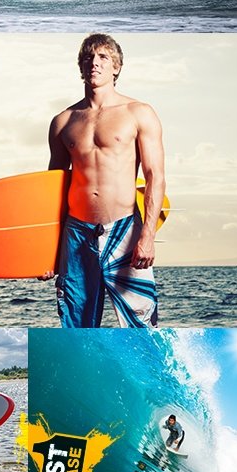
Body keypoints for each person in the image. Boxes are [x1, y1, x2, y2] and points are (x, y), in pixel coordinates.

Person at [46, 32, 165, 328]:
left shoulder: (138, 113)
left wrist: (147, 237)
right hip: (76, 234)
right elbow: (53, 191)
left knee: (142, 325)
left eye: (103, 57)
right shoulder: (63, 121)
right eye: (88, 58)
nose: (94, 63)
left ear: (117, 67)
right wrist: (45, 251)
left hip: (124, 228)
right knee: (75, 325)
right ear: (80, 67)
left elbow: (155, 177)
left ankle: (150, 374)